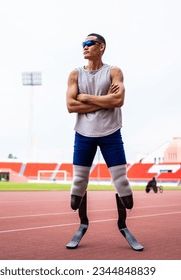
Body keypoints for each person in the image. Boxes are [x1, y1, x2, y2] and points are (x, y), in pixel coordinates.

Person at [66, 33, 134, 210]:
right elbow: (71, 105)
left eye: (90, 43)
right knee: (79, 181)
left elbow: (118, 101)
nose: (85, 47)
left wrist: (86, 97)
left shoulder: (113, 71)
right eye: (83, 44)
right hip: (83, 133)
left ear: (101, 47)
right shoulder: (75, 74)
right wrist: (105, 101)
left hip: (110, 132)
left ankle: (123, 219)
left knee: (121, 181)